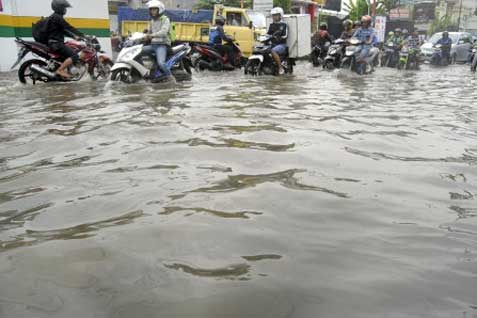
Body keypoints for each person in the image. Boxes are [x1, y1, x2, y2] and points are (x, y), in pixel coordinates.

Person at [46, 0, 85, 79]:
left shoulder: (54, 17)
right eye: (64, 7)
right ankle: (60, 70)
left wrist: (74, 37)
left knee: (68, 54)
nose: (65, 9)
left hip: (54, 43)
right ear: (59, 8)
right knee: (75, 56)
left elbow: (63, 30)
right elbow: (68, 27)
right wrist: (83, 35)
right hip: (56, 43)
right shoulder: (57, 17)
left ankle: (66, 71)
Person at [142, 0, 172, 79]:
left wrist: (151, 35)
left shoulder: (165, 19)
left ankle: (170, 78)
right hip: (153, 45)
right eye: (151, 10)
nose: (152, 11)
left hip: (162, 45)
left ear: (160, 9)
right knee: (138, 52)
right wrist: (145, 35)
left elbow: (164, 32)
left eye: (154, 9)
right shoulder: (152, 21)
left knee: (161, 63)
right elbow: (149, 32)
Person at [267, 7, 288, 75]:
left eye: (276, 15)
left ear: (280, 15)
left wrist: (279, 37)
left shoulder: (284, 25)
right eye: (273, 15)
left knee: (273, 51)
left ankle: (280, 68)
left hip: (281, 45)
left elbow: (285, 35)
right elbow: (268, 34)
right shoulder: (271, 25)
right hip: (273, 44)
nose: (274, 17)